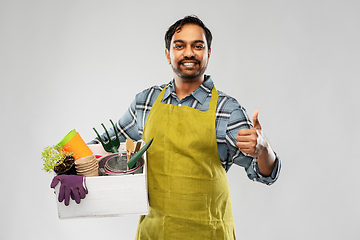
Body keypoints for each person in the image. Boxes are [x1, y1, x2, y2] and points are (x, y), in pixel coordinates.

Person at [52, 15, 281, 239]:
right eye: (179, 45)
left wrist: (264, 149)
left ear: (208, 53)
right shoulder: (147, 101)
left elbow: (264, 174)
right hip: (154, 232)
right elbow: (106, 145)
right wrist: (72, 168)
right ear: (167, 54)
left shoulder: (227, 109)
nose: (189, 52)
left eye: (198, 46)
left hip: (210, 232)